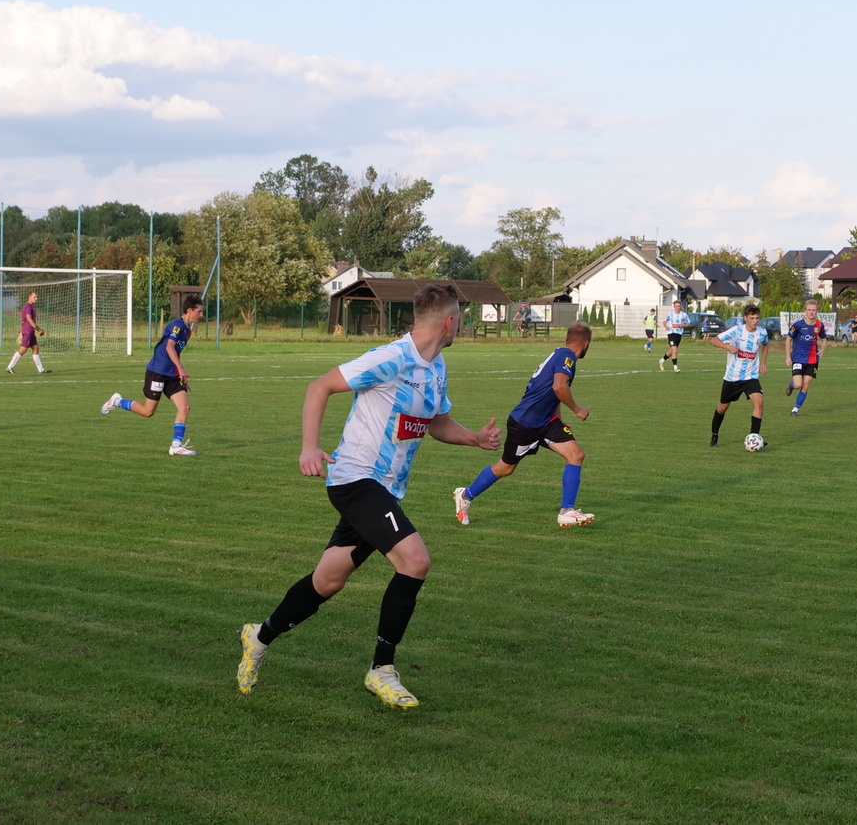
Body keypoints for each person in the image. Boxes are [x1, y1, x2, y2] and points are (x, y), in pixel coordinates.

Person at [236, 284, 501, 709]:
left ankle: (259, 635)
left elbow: (436, 422)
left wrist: (474, 439)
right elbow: (318, 387)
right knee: (415, 561)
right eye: (461, 319)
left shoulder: (437, 366)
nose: (462, 326)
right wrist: (309, 447)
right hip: (356, 479)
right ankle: (382, 669)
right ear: (450, 322)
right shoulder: (390, 358)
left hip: (385, 491)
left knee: (328, 580)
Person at [453, 323, 595, 528]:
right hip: (525, 423)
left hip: (546, 421)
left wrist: (559, 420)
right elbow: (558, 387)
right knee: (506, 467)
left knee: (576, 454)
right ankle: (465, 495)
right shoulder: (567, 357)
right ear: (586, 344)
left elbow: (551, 392)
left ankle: (567, 511)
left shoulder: (560, 354)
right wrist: (577, 409)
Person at [100, 294, 204, 455]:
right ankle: (117, 401)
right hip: (157, 372)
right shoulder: (177, 326)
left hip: (172, 374)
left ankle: (176, 445)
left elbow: (176, 352)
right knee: (148, 411)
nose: (201, 315)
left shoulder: (188, 330)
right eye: (199, 311)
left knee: (184, 407)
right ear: (190, 310)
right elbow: (169, 347)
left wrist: (180, 374)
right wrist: (181, 368)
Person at [708, 304, 770, 447]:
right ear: (745, 318)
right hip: (733, 377)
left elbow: (766, 345)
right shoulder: (736, 331)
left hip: (751, 377)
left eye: (757, 318)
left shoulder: (762, 333)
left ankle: (754, 437)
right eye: (752, 318)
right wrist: (728, 346)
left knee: (759, 402)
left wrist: (763, 362)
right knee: (723, 407)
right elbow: (713, 340)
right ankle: (714, 435)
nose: (755, 321)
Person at [784, 299, 829, 416]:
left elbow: (824, 339)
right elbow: (788, 339)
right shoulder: (798, 325)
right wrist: (788, 356)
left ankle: (795, 410)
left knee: (806, 385)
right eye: (809, 310)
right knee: (798, 384)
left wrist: (823, 350)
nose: (811, 312)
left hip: (812, 360)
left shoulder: (819, 325)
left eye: (813, 310)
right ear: (805, 311)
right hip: (798, 358)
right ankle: (791, 385)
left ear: (817, 312)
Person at [6, 291, 49, 374]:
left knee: (35, 348)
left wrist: (22, 329)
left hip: (30, 331)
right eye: (34, 297)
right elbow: (29, 319)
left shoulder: (30, 306)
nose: (36, 298)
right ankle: (9, 367)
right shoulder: (28, 306)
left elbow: (24, 320)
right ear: (30, 297)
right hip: (28, 331)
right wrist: (38, 329)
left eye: (36, 297)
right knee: (23, 349)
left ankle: (40, 369)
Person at [661, 300, 690, 372]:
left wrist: (683, 325)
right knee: (675, 350)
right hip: (671, 333)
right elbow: (664, 321)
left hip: (679, 334)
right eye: (676, 306)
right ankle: (675, 367)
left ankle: (662, 360)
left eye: (679, 306)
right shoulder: (670, 314)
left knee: (671, 351)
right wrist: (666, 326)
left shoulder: (684, 314)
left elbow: (689, 324)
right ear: (674, 307)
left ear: (680, 307)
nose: (677, 307)